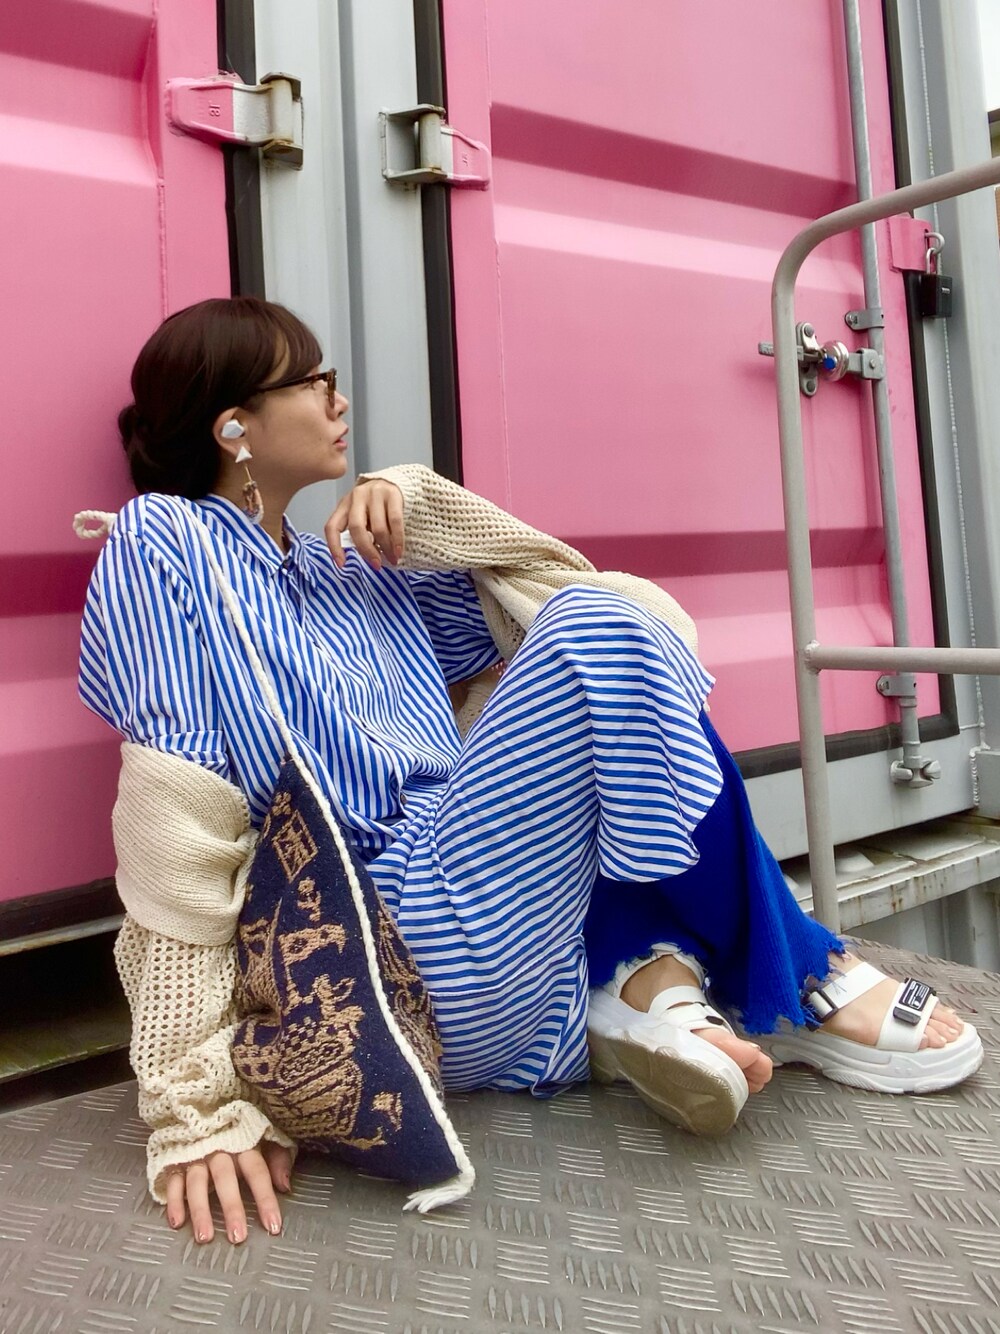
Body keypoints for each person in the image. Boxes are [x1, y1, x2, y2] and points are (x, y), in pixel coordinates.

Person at [78, 296, 982, 1246]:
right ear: (234, 428)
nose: (339, 400)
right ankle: (794, 972)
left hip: (499, 916)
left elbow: (590, 605)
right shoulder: (162, 543)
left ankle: (643, 990)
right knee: (597, 636)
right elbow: (173, 815)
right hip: (393, 938)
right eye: (313, 381)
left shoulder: (353, 567)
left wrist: (425, 505)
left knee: (611, 643)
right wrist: (195, 1104)